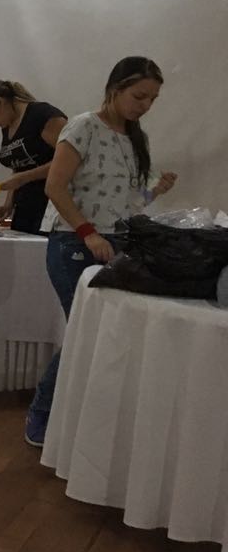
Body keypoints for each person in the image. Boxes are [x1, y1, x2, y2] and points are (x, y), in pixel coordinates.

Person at [23, 57, 177, 447]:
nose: (145, 105)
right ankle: (42, 412)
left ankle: (89, 414)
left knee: (109, 332)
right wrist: (88, 232)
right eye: (139, 96)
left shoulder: (135, 139)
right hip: (74, 242)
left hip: (116, 242)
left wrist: (155, 191)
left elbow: (127, 202)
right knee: (85, 330)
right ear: (115, 89)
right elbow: (55, 188)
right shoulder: (83, 127)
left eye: (152, 99)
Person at [0, 78, 67, 234]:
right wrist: (8, 204)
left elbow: (69, 161)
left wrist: (25, 177)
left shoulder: (43, 116)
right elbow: (19, 166)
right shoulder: (8, 123)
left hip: (52, 208)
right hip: (25, 208)